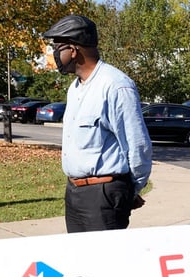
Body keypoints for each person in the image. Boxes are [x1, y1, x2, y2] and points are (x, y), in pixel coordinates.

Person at [42, 15, 153, 233]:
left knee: (104, 265)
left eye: (57, 47)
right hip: (74, 193)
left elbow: (138, 145)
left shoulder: (115, 86)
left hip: (103, 196)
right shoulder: (75, 88)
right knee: (79, 265)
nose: (53, 54)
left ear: (73, 50)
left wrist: (130, 190)